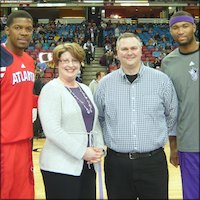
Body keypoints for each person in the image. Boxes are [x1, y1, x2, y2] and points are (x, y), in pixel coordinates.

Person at [94, 32, 178, 199]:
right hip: (117, 163)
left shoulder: (162, 80)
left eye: (133, 48)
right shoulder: (104, 84)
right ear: (117, 53)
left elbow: (172, 114)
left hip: (152, 162)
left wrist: (155, 134)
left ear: (141, 50)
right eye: (124, 49)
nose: (129, 52)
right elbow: (100, 118)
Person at [38, 42, 105, 199]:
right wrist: (83, 152)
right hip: (60, 167)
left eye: (74, 60)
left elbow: (94, 123)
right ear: (57, 63)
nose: (70, 65)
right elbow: (52, 130)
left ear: (80, 63)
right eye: (65, 60)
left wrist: (99, 148)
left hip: (87, 165)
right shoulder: (51, 89)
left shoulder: (85, 88)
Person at [161, 11, 200, 200]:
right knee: (192, 194)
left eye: (185, 25)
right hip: (189, 142)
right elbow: (171, 108)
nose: (180, 31)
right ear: (170, 32)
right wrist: (173, 146)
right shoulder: (168, 63)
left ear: (194, 26)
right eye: (175, 27)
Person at [0, 10, 36, 199]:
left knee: (24, 194)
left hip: (24, 142)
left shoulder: (30, 61)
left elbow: (24, 97)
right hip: (3, 145)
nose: (24, 33)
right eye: (18, 28)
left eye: (28, 29)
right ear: (7, 30)